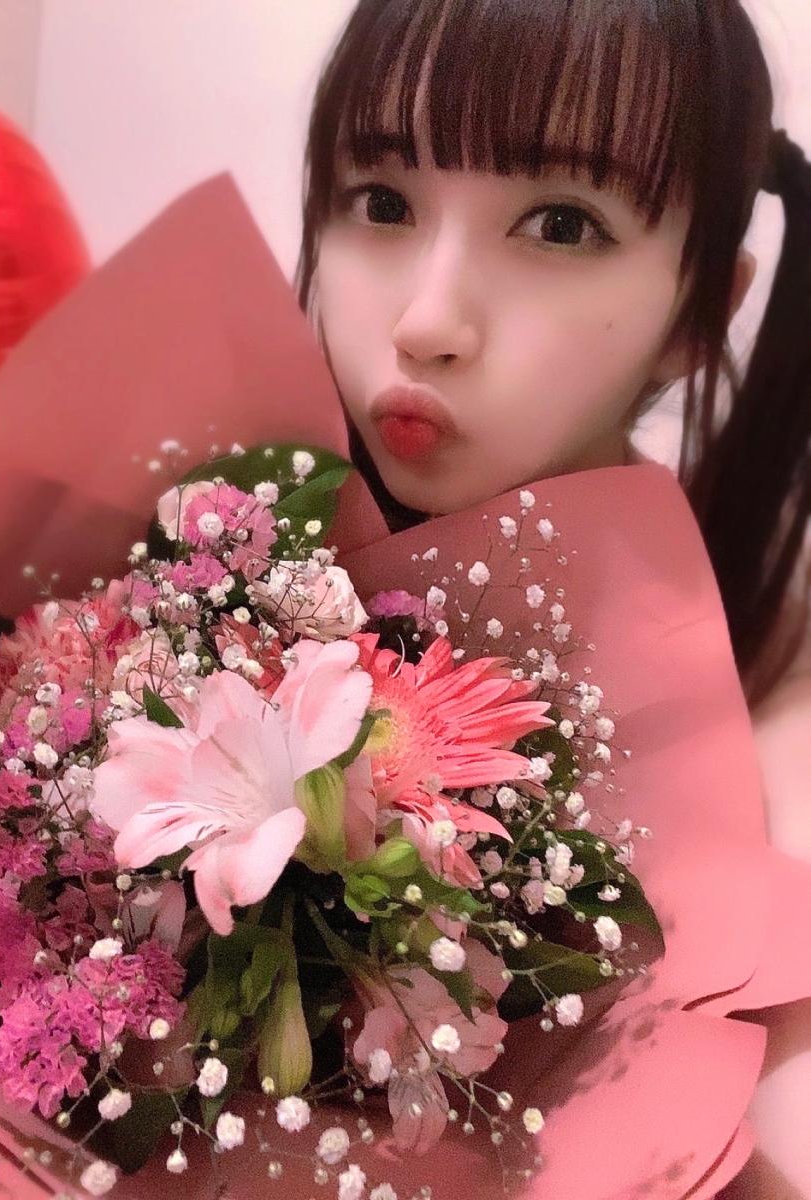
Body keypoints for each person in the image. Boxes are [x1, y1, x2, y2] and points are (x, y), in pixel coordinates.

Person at [291, 1, 811, 1194]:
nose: (427, 321)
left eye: (561, 224)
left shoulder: (773, 737)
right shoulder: (192, 572)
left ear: (697, 314)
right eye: (382, 200)